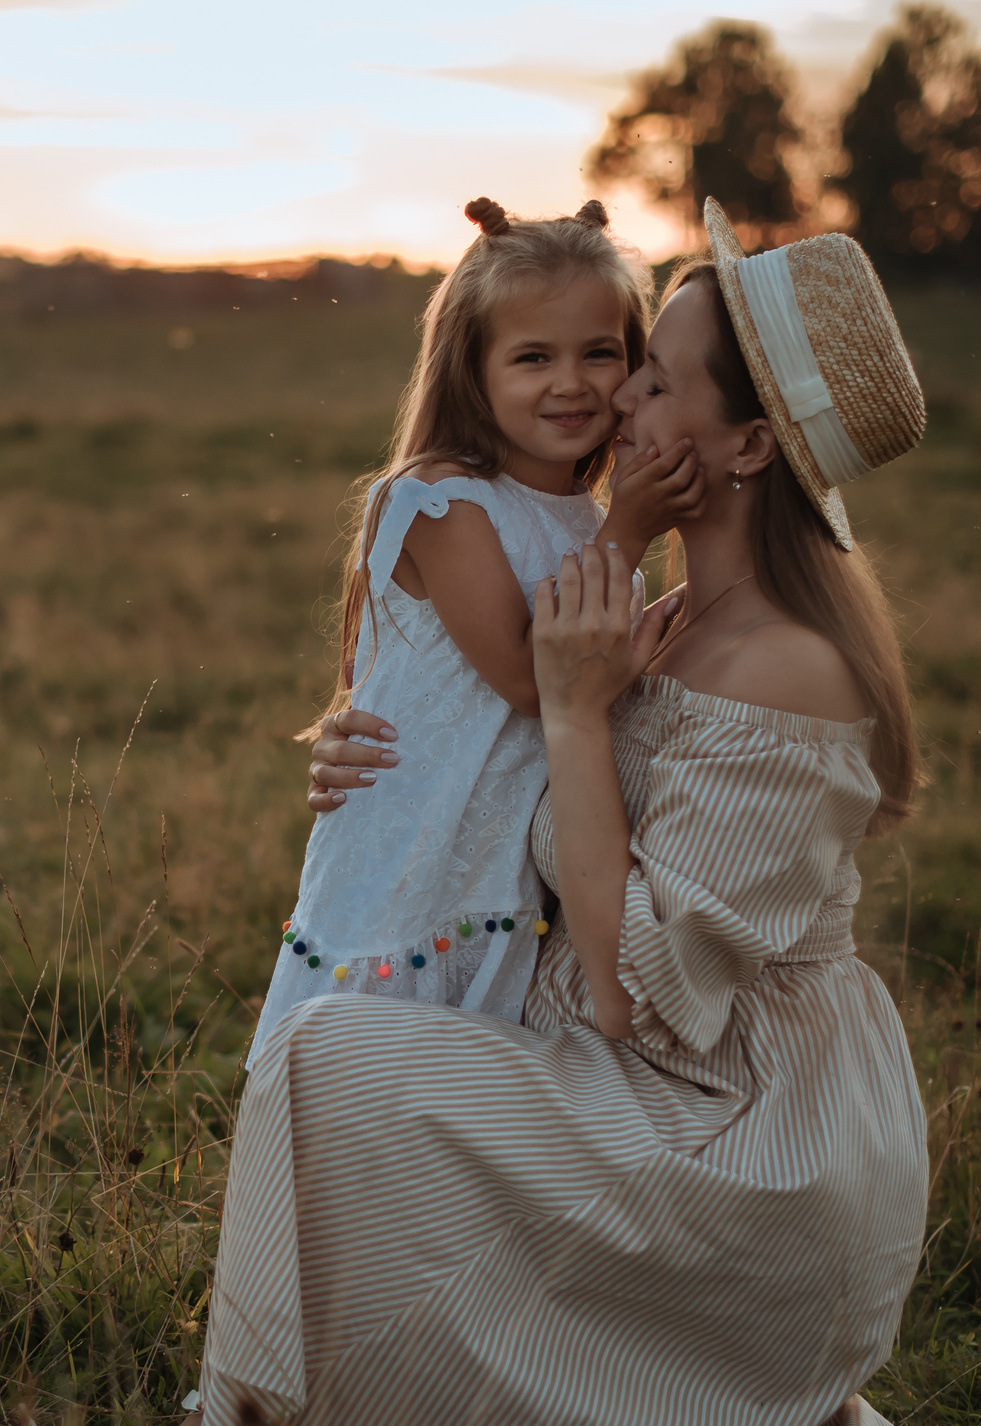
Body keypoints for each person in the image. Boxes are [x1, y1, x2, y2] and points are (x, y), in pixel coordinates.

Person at [149, 201, 949, 1426]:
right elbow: (500, 734)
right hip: (621, 1051)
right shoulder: (662, 615)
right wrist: (374, 749)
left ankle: (329, 1419)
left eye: (648, 372)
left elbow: (646, 994)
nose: (613, 398)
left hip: (740, 1140)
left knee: (337, 1057)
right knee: (341, 1057)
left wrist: (577, 715)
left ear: (746, 443)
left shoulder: (784, 672)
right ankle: (304, 1401)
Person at [240, 197, 702, 1069]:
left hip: (503, 871)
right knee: (375, 1085)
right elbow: (541, 680)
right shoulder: (444, 502)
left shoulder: (583, 520)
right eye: (533, 357)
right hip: (417, 860)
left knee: (466, 1103)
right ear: (472, 369)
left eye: (599, 352)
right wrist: (632, 532)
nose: (572, 382)